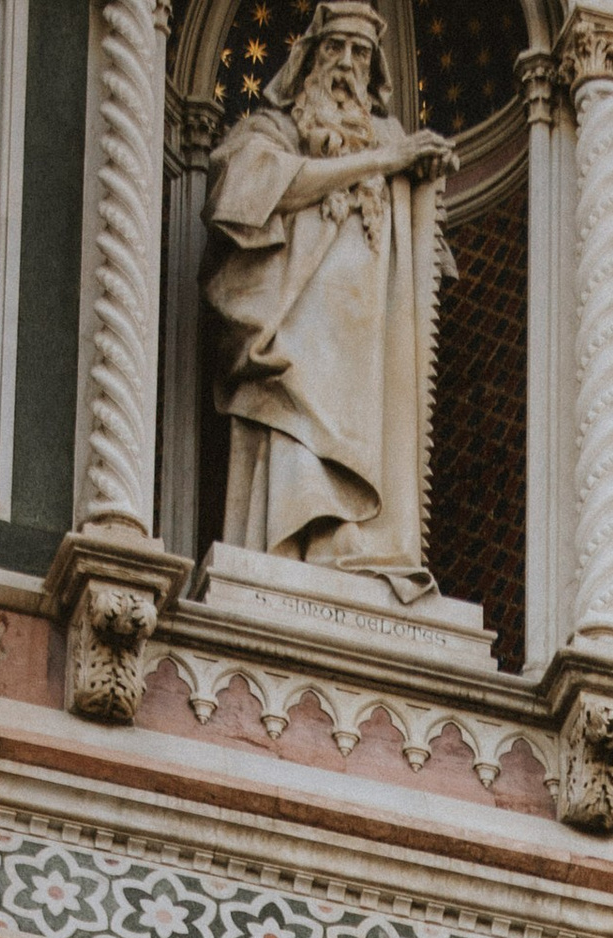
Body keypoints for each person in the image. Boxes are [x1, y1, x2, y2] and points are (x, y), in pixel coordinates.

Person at [203, 0, 452, 593]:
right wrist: (386, 160)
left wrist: (423, 186)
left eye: (360, 53)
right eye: (334, 48)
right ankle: (287, 547)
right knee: (295, 432)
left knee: (361, 439)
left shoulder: (392, 141)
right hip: (295, 329)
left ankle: (352, 543)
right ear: (309, 59)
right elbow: (243, 196)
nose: (346, 64)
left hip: (367, 350)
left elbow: (429, 261)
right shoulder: (275, 130)